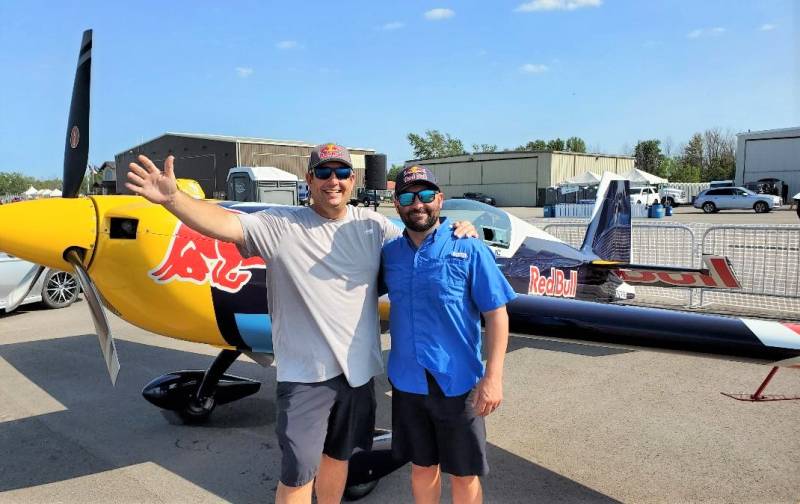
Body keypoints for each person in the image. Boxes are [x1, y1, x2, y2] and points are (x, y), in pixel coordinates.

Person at [125, 144, 474, 504]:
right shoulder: (280, 224)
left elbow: (419, 239)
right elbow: (224, 224)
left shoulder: (373, 226)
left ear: (352, 180)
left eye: (341, 173)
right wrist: (173, 200)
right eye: (323, 173)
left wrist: (458, 229)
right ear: (309, 180)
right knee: (297, 474)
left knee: (338, 460)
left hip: (357, 375)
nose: (332, 181)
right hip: (304, 377)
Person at [382, 165, 517, 504]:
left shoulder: (468, 247)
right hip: (408, 382)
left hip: (458, 383)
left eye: (427, 195)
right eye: (408, 197)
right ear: (396, 204)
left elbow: (496, 314)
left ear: (439, 200)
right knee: (422, 468)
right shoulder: (390, 255)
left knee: (463, 474)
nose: (419, 204)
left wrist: (494, 377)